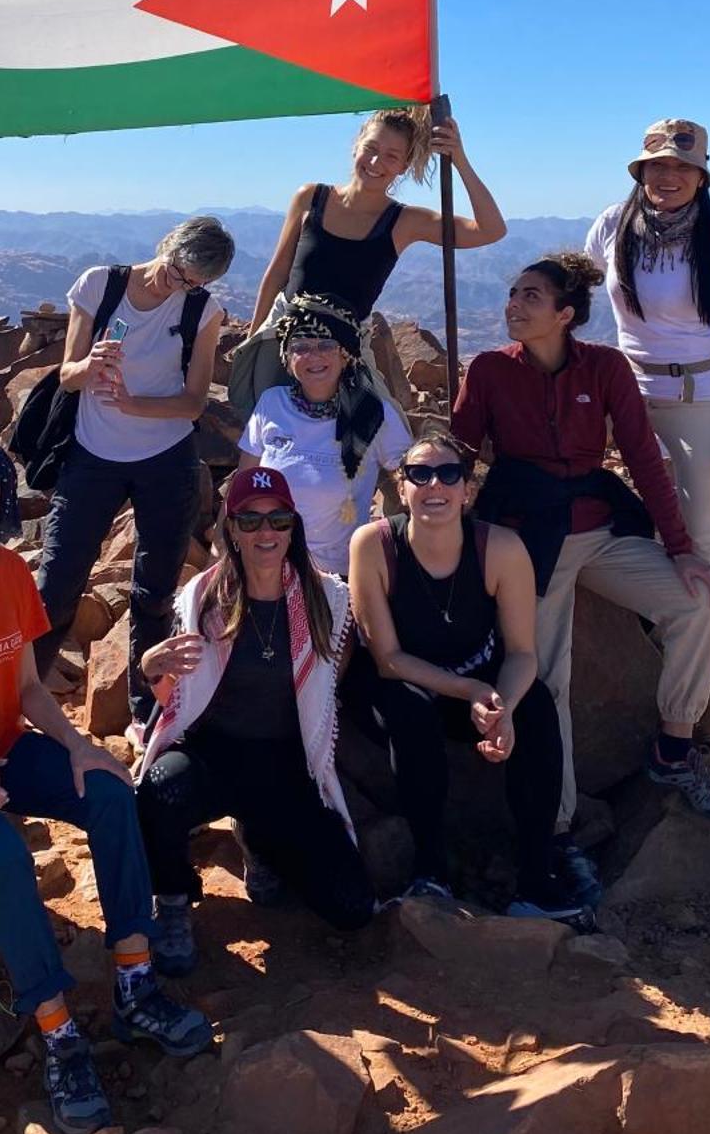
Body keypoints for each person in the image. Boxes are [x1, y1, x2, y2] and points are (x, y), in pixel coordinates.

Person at [0, 437, 213, 1134]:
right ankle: (56, 1033)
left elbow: (26, 685)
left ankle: (135, 980)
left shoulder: (10, 574)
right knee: (0, 853)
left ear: (1, 496)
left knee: (111, 792)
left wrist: (79, 746)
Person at [451, 252, 710, 898]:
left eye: (529, 296)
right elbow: (460, 456)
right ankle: (555, 829)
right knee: (545, 676)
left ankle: (672, 747)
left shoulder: (604, 368)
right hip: (527, 542)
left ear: (564, 313)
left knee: (702, 604)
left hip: (598, 528)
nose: (513, 305)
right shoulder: (490, 371)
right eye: (511, 294)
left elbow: (641, 455)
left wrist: (681, 548)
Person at [134, 465, 376, 975]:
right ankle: (173, 898)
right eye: (250, 522)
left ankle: (259, 838)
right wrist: (148, 668)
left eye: (278, 520)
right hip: (213, 752)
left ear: (294, 526)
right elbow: (177, 699)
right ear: (231, 531)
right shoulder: (201, 598)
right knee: (160, 787)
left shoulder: (327, 600)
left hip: (284, 763)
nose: (266, 533)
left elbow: (328, 691)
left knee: (351, 908)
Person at [585, 118, 710, 744]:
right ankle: (670, 626)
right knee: (625, 517)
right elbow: (583, 296)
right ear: (640, 172)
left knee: (702, 534)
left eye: (682, 168)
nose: (668, 177)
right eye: (656, 167)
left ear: (701, 177)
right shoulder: (615, 225)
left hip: (699, 396)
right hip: (626, 393)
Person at [349, 433, 588, 923]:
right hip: (401, 683)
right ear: (402, 485)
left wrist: (503, 707)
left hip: (475, 682)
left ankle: (537, 878)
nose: (434, 485)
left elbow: (523, 653)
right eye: (419, 474)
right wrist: (472, 690)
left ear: (467, 490)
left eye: (449, 474)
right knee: (411, 713)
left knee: (537, 708)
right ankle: (429, 870)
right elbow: (387, 658)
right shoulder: (374, 546)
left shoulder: (499, 549)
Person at [34, 218, 233, 734]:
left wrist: (132, 403)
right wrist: (90, 366)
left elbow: (192, 403)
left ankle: (147, 709)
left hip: (164, 459)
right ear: (168, 245)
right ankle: (19, 696)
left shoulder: (201, 312)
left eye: (193, 282)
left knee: (155, 589)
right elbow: (67, 374)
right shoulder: (100, 285)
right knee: (57, 581)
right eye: (177, 271)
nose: (178, 285)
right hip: (91, 455)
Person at [230, 108, 506, 415]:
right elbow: (278, 272)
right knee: (268, 428)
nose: (376, 162)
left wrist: (459, 160)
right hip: (283, 340)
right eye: (371, 149)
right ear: (356, 146)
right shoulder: (310, 198)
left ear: (403, 166)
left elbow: (490, 230)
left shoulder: (404, 221)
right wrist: (253, 341)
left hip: (346, 350)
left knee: (364, 439)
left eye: (391, 156)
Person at [236, 294, 411, 576]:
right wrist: (222, 541)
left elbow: (410, 477)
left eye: (326, 345)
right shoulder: (271, 403)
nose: (313, 356)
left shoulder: (372, 413)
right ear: (287, 358)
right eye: (300, 347)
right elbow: (243, 484)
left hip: (337, 574)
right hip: (269, 568)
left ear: (345, 355)